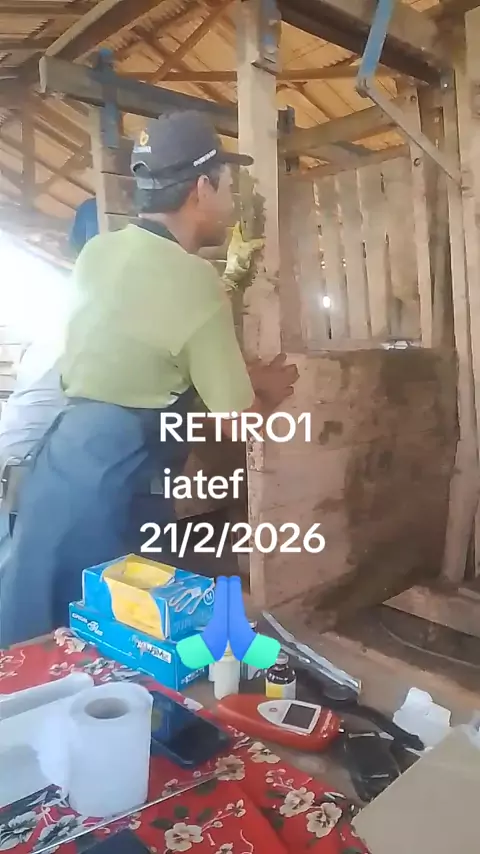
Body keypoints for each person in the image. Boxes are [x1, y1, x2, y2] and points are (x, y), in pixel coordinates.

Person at [0, 110, 298, 647]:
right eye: (227, 184)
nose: (231, 199)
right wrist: (268, 395)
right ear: (202, 188)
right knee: (112, 645)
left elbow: (144, 361)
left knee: (36, 642)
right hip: (115, 495)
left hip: (59, 473)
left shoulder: (99, 253)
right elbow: (238, 424)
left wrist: (233, 377)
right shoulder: (194, 279)